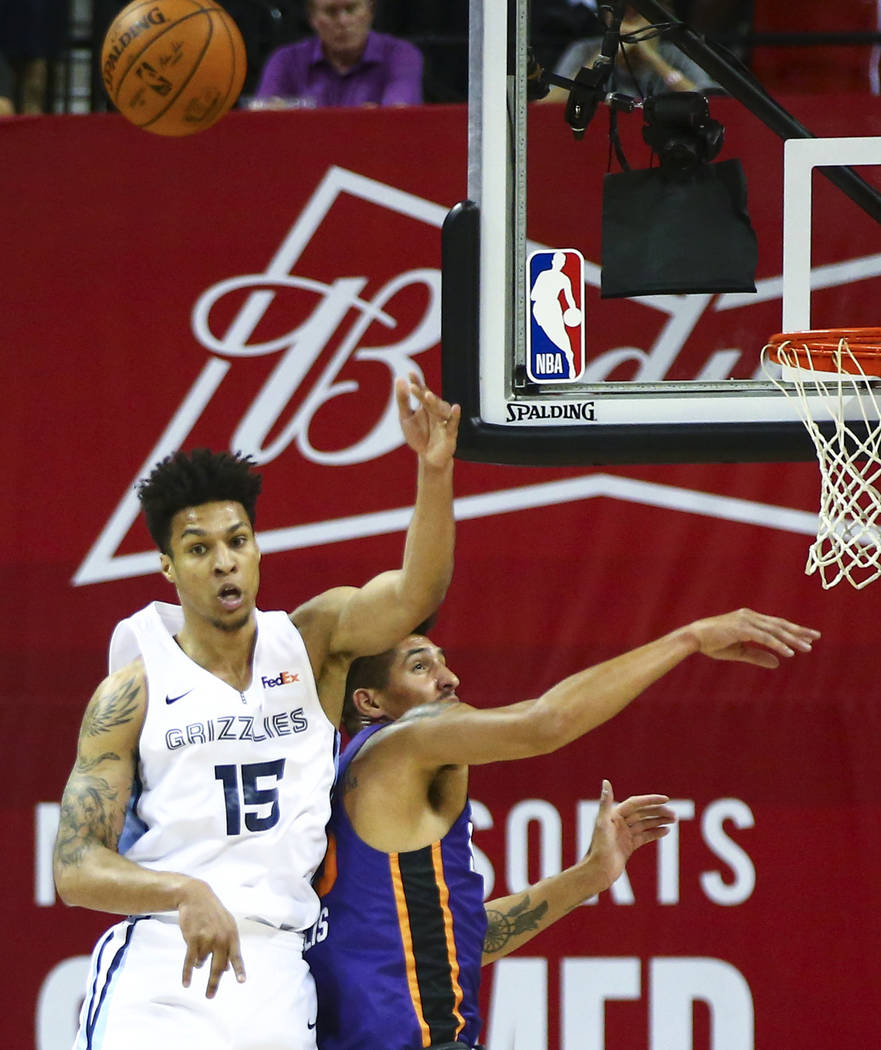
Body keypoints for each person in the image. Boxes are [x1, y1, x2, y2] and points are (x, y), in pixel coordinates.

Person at [53, 375, 460, 1050]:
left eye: (236, 540)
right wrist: (183, 892)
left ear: (257, 546)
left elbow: (416, 593)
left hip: (273, 967)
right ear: (166, 565)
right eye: (198, 548)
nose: (223, 563)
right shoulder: (132, 689)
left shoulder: (310, 643)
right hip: (161, 959)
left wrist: (434, 471)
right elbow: (74, 869)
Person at [306, 608, 820, 1050]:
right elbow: (544, 723)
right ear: (369, 703)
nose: (449, 678)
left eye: (443, 660)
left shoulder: (349, 788)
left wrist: (590, 876)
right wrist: (688, 638)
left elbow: (456, 940)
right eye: (421, 666)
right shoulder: (401, 742)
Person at [254, 0, 423, 109]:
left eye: (351, 9)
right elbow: (264, 116)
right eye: (330, 12)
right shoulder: (284, 60)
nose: (343, 21)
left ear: (370, 10)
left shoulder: (401, 55)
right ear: (312, 18)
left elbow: (398, 114)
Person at [541, 4, 718, 104]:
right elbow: (546, 104)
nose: (628, 21)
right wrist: (601, 57)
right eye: (621, 13)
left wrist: (653, 58)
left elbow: (709, 101)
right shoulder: (583, 50)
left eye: (638, 14)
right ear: (605, 17)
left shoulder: (675, 53)